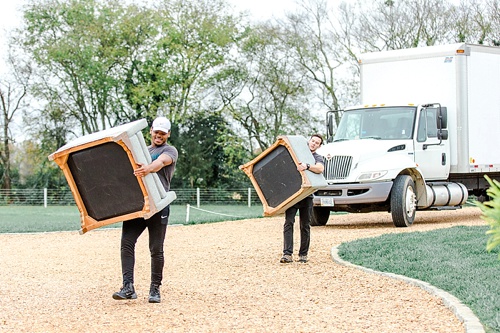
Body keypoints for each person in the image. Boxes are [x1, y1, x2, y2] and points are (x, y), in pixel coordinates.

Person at [112, 116, 178, 303]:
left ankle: (155, 290)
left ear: (168, 134)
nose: (159, 135)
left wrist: (148, 168)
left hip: (159, 204)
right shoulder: (142, 151)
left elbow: (162, 162)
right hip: (138, 204)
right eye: (156, 132)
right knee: (127, 243)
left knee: (156, 249)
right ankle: (128, 287)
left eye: (163, 133)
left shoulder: (169, 150)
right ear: (151, 131)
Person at [280, 134, 325, 264]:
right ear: (309, 141)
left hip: (307, 196)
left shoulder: (317, 157)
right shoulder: (297, 153)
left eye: (317, 143)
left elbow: (320, 168)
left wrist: (307, 166)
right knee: (288, 223)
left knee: (305, 225)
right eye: (313, 141)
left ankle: (303, 254)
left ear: (319, 146)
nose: (314, 144)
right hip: (293, 195)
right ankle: (287, 254)